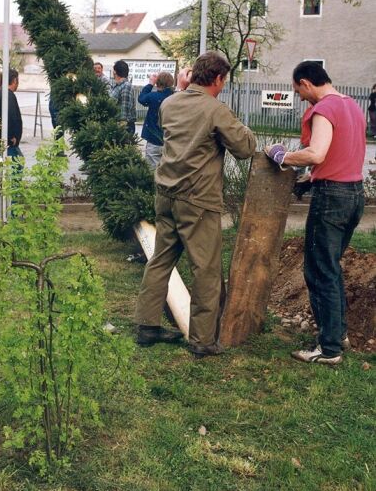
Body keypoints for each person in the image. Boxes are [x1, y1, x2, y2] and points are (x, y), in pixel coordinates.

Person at [134, 52, 256, 357]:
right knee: (205, 269)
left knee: (161, 259)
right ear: (217, 79)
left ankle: (147, 326)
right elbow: (244, 148)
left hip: (166, 193)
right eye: (223, 80)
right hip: (198, 200)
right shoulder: (216, 110)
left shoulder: (169, 103)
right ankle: (202, 340)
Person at [265, 61, 365, 366]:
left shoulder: (324, 109)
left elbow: (316, 153)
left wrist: (282, 156)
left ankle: (329, 348)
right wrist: (313, 177)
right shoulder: (352, 106)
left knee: (319, 270)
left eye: (299, 91)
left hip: (332, 198)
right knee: (330, 267)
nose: (300, 97)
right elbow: (340, 155)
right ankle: (338, 333)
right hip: (354, 194)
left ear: (306, 83)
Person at [0, 69, 24, 216]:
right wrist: (12, 137)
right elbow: (11, 118)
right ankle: (11, 210)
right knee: (14, 169)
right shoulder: (8, 96)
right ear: (14, 81)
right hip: (3, 145)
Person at [138, 71, 175, 167]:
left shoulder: (153, 96)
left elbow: (141, 99)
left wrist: (150, 84)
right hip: (169, 141)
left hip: (153, 140)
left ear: (157, 83)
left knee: (151, 170)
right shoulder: (175, 97)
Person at [109, 59, 136, 134]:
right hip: (116, 124)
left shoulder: (126, 86)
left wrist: (121, 127)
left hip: (124, 126)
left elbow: (125, 107)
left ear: (115, 72)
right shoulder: (117, 86)